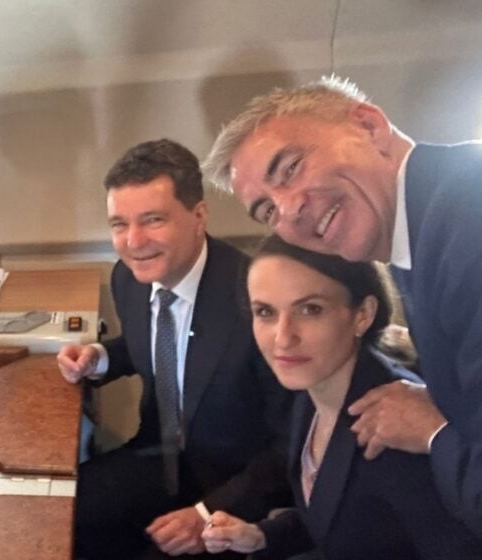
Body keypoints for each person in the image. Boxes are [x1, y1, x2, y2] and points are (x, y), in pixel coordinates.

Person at [202, 76, 482, 535]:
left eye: (290, 168)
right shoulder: (420, 240)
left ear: (369, 126)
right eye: (267, 210)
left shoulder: (468, 222)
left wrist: (434, 432)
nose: (288, 211)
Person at [58, 139, 292, 559]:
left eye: (153, 220)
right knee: (56, 516)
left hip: (233, 490)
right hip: (155, 458)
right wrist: (100, 357)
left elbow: (290, 445)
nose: (134, 241)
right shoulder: (128, 279)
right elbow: (154, 346)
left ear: (198, 216)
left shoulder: (258, 299)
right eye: (119, 224)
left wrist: (206, 513)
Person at [201, 236, 482, 559]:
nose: (283, 337)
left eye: (310, 309)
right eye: (265, 312)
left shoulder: (396, 431)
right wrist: (262, 535)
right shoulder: (310, 391)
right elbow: (344, 516)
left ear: (363, 314)